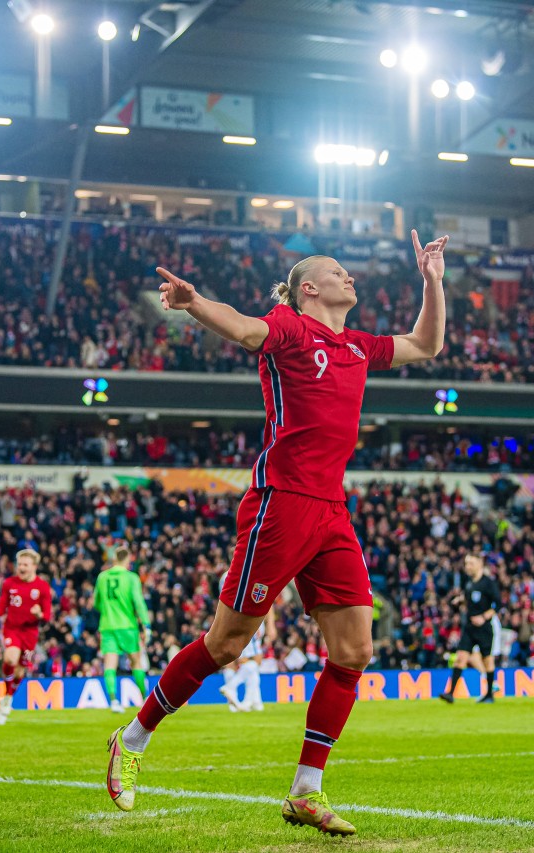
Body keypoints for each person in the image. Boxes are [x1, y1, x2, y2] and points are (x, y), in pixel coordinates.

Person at [106, 230, 449, 835]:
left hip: (331, 511)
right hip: (280, 504)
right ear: (309, 287)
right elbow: (242, 328)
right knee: (225, 646)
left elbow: (427, 343)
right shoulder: (291, 329)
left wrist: (432, 280)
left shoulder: (359, 345)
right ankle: (132, 737)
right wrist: (193, 302)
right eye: (340, 271)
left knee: (354, 651)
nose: (353, 277)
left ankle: (305, 791)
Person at [0, 548, 52, 725]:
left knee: (21, 670)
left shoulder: (42, 587)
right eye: (19, 564)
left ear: (34, 566)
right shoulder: (9, 583)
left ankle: (7, 697)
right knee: (10, 659)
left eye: (25, 564)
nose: (21, 567)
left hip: (30, 633)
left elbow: (47, 616)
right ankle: (7, 694)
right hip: (12, 629)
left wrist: (38, 614)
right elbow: (0, 608)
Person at [438, 554, 502, 704]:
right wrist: (460, 600)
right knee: (460, 658)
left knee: (487, 660)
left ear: (479, 564)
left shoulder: (488, 583)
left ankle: (489, 695)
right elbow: (468, 598)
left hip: (484, 627)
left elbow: (498, 604)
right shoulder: (468, 583)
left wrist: (484, 617)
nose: (467, 567)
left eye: (471, 564)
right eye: (466, 564)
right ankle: (450, 693)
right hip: (469, 627)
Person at [95, 546, 151, 711]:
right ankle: (145, 699)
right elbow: (138, 602)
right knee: (136, 663)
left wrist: (108, 610)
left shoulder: (102, 577)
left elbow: (96, 603)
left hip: (107, 626)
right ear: (127, 560)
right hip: (127, 626)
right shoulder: (131, 577)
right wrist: (146, 625)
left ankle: (114, 702)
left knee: (110, 665)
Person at [221, 608, 278, 712]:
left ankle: (255, 701)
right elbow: (269, 604)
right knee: (252, 660)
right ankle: (231, 687)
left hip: (247, 619)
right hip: (250, 620)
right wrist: (271, 624)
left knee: (251, 660)